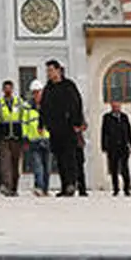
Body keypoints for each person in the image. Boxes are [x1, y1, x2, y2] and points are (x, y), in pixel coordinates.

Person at [39, 59, 85, 197]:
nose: (49, 73)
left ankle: (71, 184)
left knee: (69, 157)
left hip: (69, 127)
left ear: (58, 70)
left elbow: (77, 103)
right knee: (59, 158)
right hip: (54, 128)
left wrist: (77, 122)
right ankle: (65, 186)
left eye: (51, 70)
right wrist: (41, 124)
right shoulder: (48, 88)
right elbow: (44, 108)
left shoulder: (68, 85)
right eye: (47, 71)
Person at [0, 80, 25, 196]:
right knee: (5, 162)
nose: (8, 90)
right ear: (3, 90)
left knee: (15, 163)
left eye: (10, 88)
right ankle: (6, 185)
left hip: (17, 137)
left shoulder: (19, 102)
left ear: (12, 89)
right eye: (5, 88)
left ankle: (14, 188)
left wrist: (25, 136)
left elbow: (24, 119)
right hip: (4, 137)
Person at [23, 79, 51, 196]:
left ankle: (45, 189)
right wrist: (25, 138)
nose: (36, 94)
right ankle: (39, 187)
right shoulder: (27, 107)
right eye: (34, 92)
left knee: (47, 167)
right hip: (34, 139)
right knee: (38, 166)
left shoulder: (48, 105)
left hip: (47, 138)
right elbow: (24, 123)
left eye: (38, 92)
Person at [101, 100, 131, 196]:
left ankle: (126, 189)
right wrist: (104, 146)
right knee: (114, 169)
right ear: (111, 107)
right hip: (112, 147)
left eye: (118, 106)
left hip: (123, 146)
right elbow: (104, 132)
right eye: (114, 106)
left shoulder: (124, 117)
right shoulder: (107, 117)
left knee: (125, 168)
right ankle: (116, 189)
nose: (116, 108)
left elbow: (129, 131)